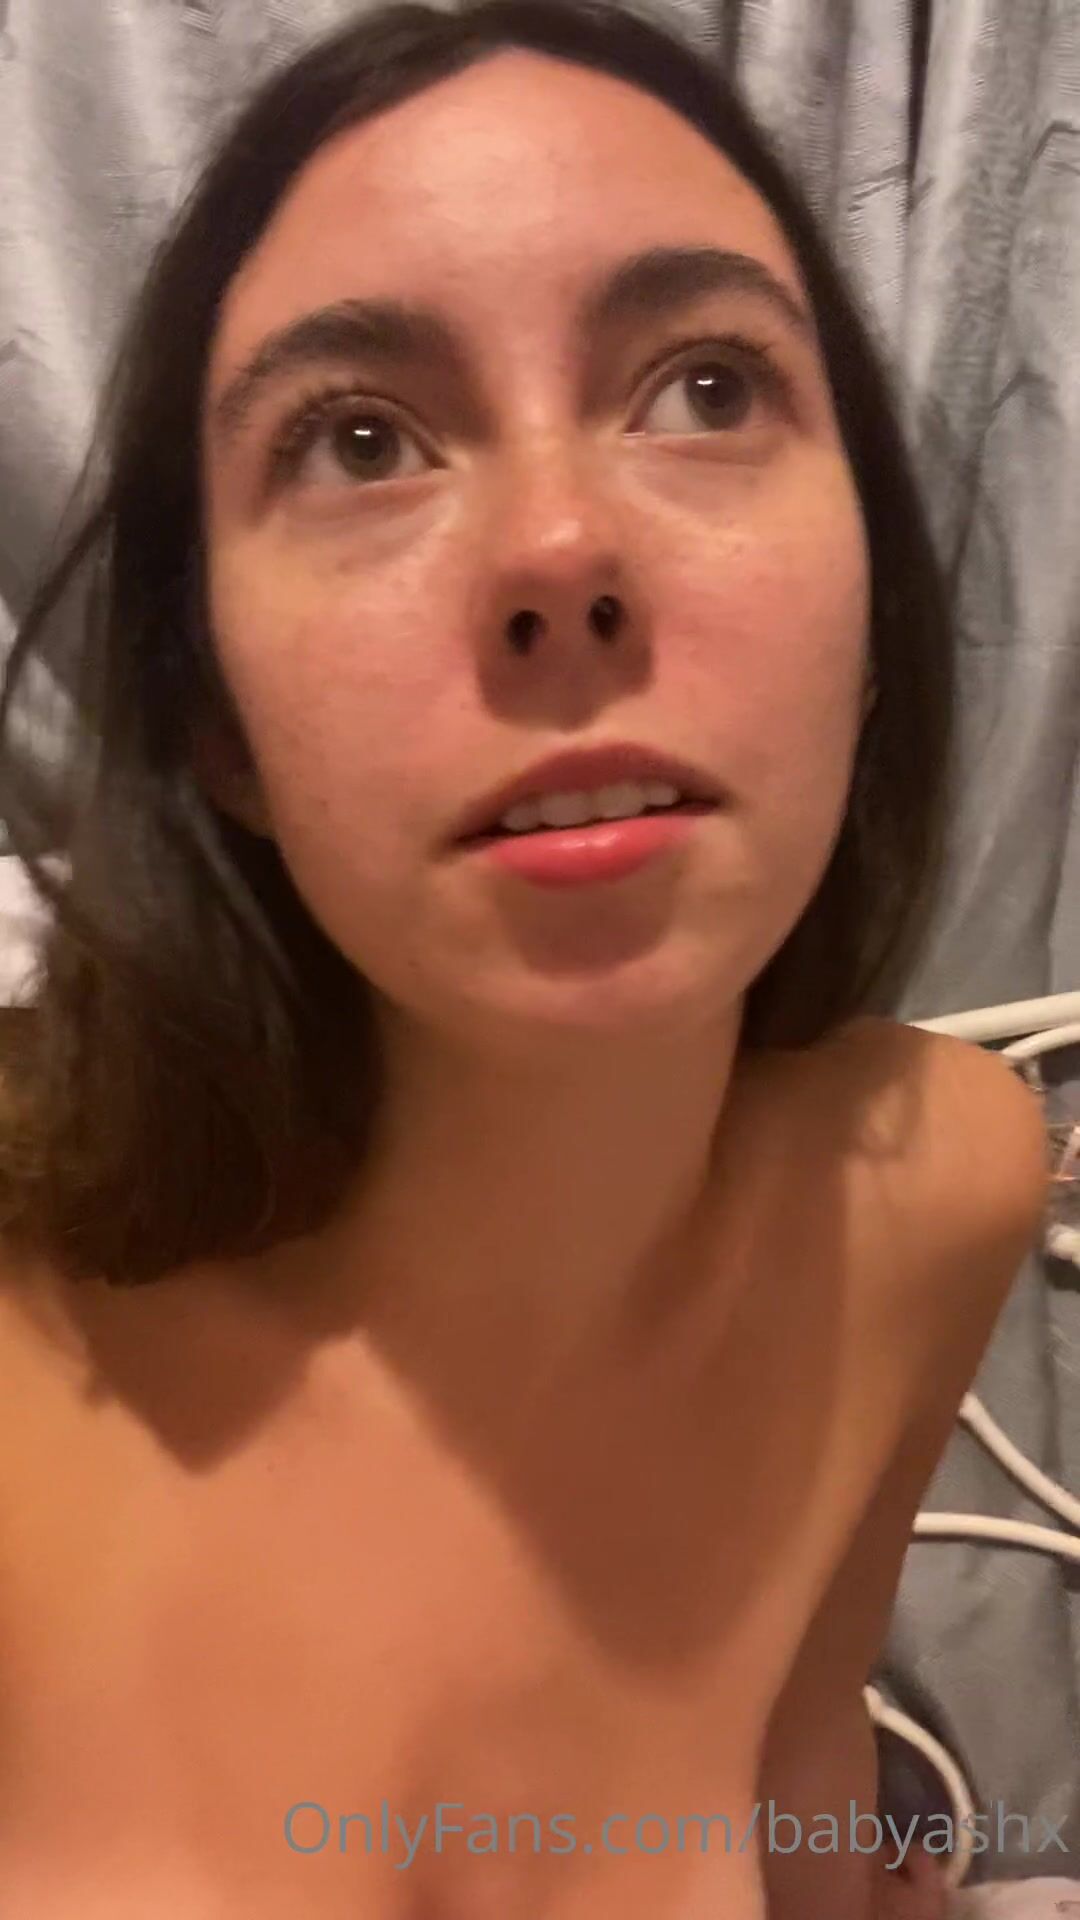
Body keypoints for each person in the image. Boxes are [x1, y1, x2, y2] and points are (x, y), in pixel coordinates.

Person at [0, 1, 1050, 1914]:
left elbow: (800, 1808)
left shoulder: (934, 1192)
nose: (561, 549)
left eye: (707, 391)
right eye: (361, 440)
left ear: (870, 617)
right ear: (216, 724)